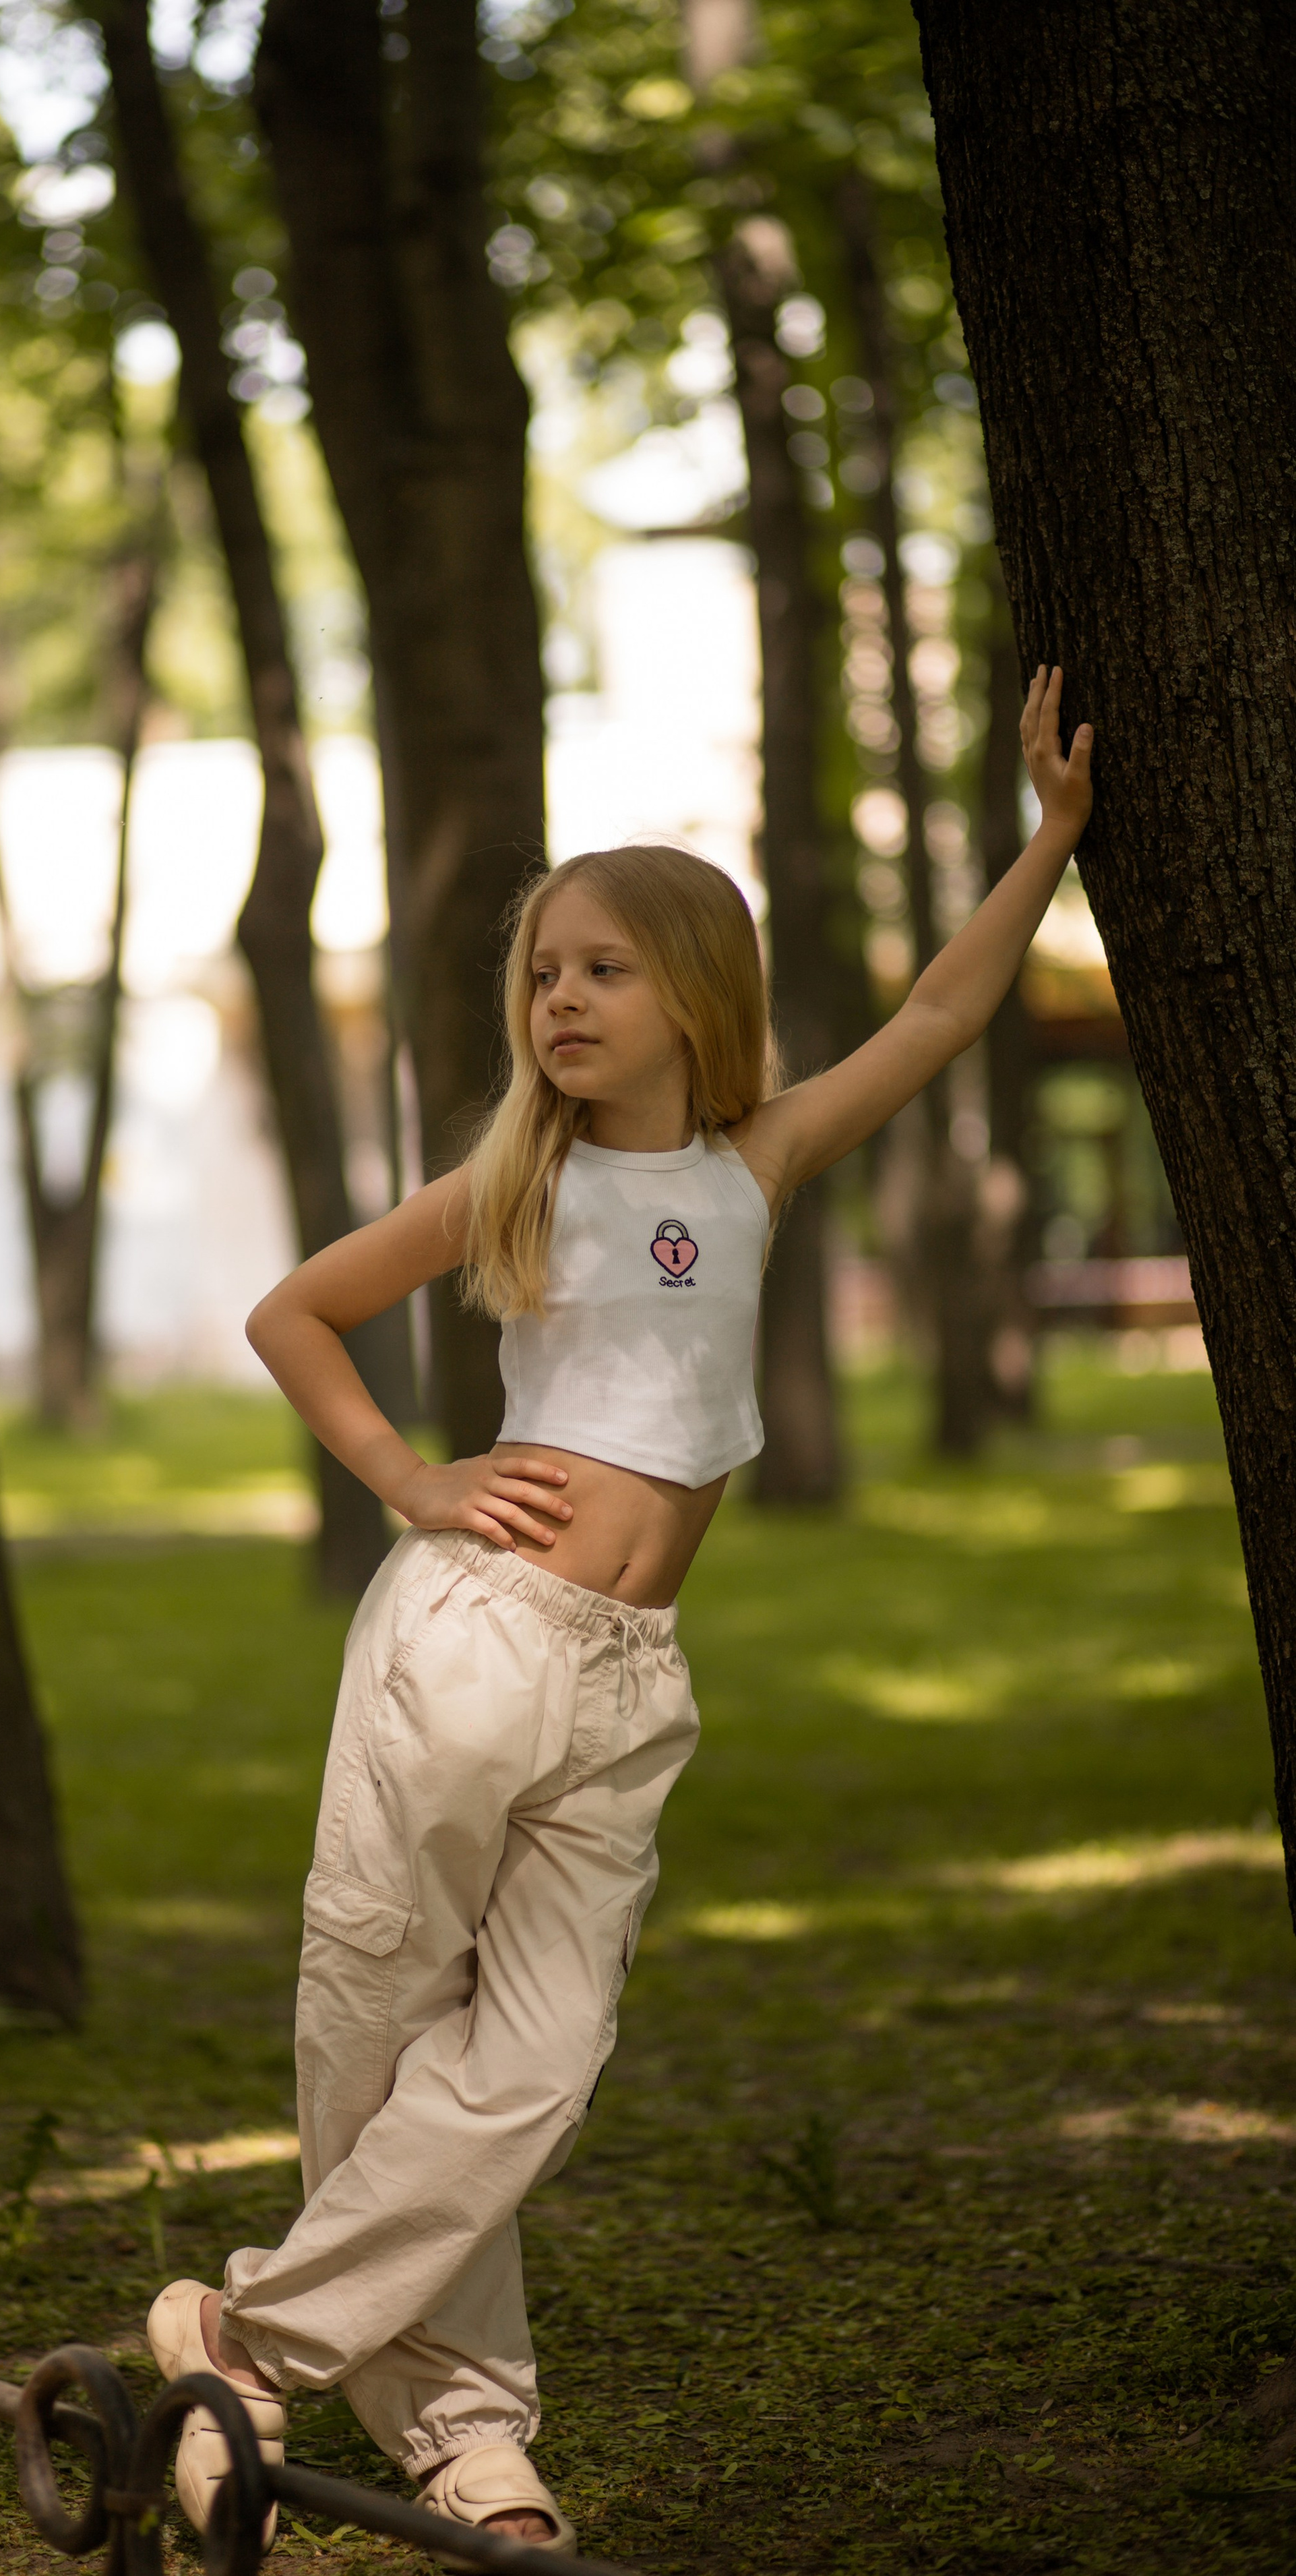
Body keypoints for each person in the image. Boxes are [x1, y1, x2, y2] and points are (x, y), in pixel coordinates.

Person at [148, 669, 1094, 2550]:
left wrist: (1053, 837)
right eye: (541, 974)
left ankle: (244, 2337)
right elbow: (296, 1311)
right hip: (471, 1643)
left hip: (625, 1686)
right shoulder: (529, 1175)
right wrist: (415, 1482)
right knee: (382, 2035)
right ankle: (468, 2434)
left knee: (536, 2067)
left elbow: (936, 1009)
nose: (559, 999)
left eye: (602, 969)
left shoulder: (754, 1163)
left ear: (699, 996)